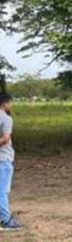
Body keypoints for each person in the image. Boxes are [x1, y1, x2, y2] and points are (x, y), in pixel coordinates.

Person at [0, 93, 23, 230]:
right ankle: (6, 220)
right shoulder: (6, 119)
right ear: (4, 103)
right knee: (2, 190)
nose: (10, 105)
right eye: (10, 102)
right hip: (3, 158)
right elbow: (5, 138)